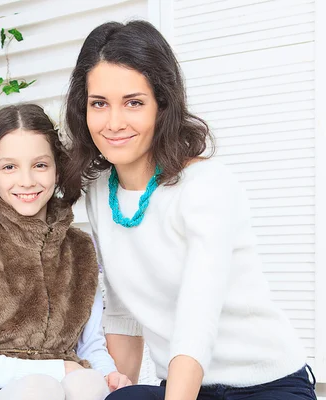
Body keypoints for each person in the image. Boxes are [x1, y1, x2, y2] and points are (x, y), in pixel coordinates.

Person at [63, 20, 317, 400]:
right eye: (99, 104)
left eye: (133, 103)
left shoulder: (206, 186)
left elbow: (196, 321)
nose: (114, 123)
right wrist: (116, 387)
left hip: (265, 385)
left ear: (162, 106)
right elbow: (122, 313)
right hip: (185, 389)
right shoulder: (102, 193)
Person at [0, 104, 130, 400]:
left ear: (57, 170)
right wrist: (60, 371)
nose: (27, 181)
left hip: (69, 389)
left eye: (40, 165)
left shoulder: (81, 249)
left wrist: (109, 376)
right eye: (9, 167)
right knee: (40, 390)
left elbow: (91, 348)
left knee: (89, 384)